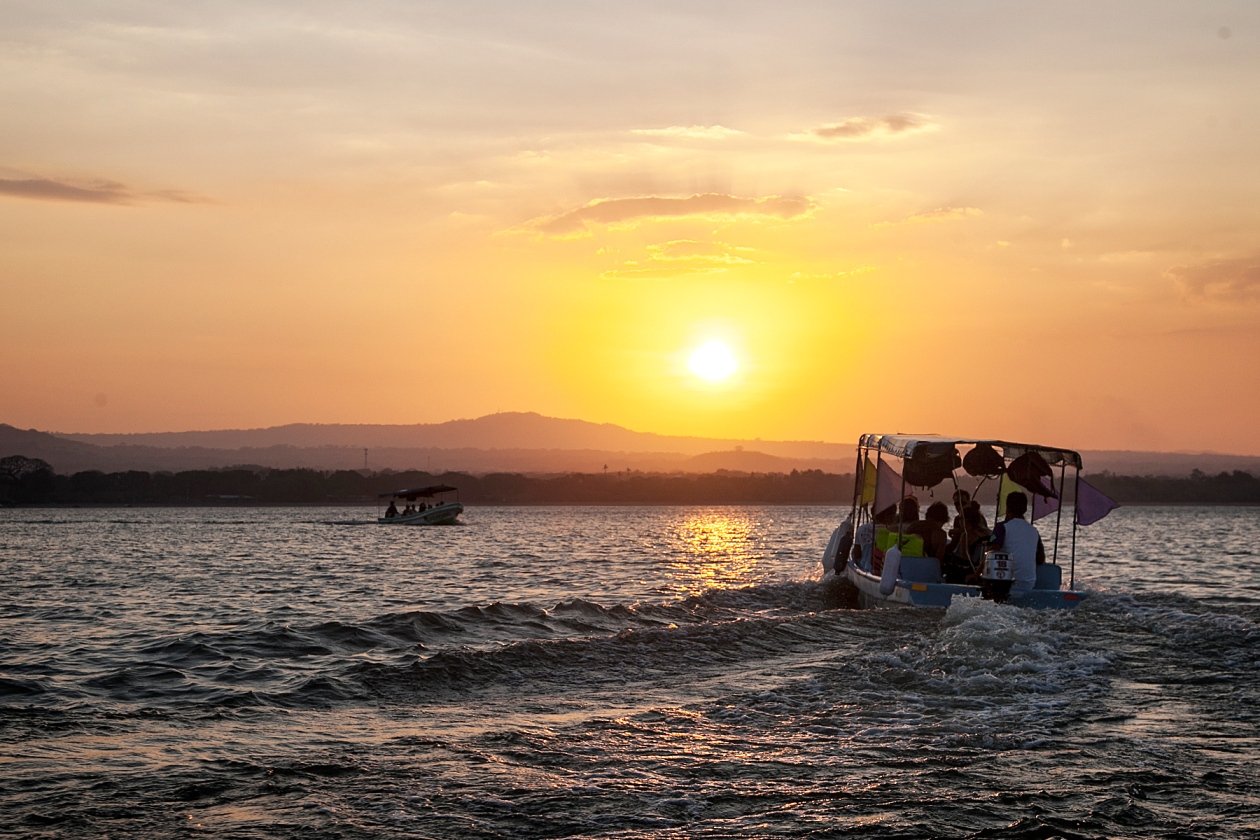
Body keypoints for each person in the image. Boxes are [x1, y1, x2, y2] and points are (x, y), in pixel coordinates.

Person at [988, 491, 1045, 597]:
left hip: (1007, 584)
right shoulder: (1034, 531)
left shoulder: (1001, 527)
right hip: (1029, 583)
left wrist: (976, 574)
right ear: (1025, 509)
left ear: (1007, 507)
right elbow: (1040, 559)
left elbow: (992, 552)